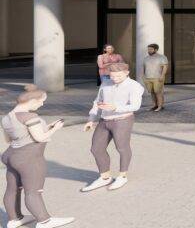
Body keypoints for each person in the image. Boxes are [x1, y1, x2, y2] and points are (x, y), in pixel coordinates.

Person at [1, 85, 75, 228]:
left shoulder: (7, 117)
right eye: (41, 101)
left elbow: (12, 138)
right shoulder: (30, 116)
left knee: (12, 189)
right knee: (33, 191)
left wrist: (47, 127)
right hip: (29, 158)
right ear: (32, 101)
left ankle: (14, 219)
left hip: (11, 155)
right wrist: (55, 130)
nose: (42, 104)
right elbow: (40, 138)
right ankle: (44, 221)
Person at [81, 63, 144, 192]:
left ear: (127, 72)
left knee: (121, 147)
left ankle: (122, 176)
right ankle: (105, 177)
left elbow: (135, 106)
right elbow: (97, 102)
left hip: (123, 120)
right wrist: (91, 119)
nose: (114, 78)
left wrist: (116, 108)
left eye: (118, 76)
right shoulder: (105, 83)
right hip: (104, 120)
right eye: (112, 76)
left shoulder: (135, 86)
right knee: (96, 148)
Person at [142, 44, 169, 112]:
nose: (149, 50)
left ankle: (160, 106)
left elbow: (165, 67)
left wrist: (162, 76)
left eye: (151, 49)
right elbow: (144, 67)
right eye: (148, 49)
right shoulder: (146, 58)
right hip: (148, 78)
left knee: (158, 92)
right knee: (152, 92)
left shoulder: (162, 57)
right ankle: (154, 105)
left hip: (157, 77)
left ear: (156, 50)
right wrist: (143, 77)